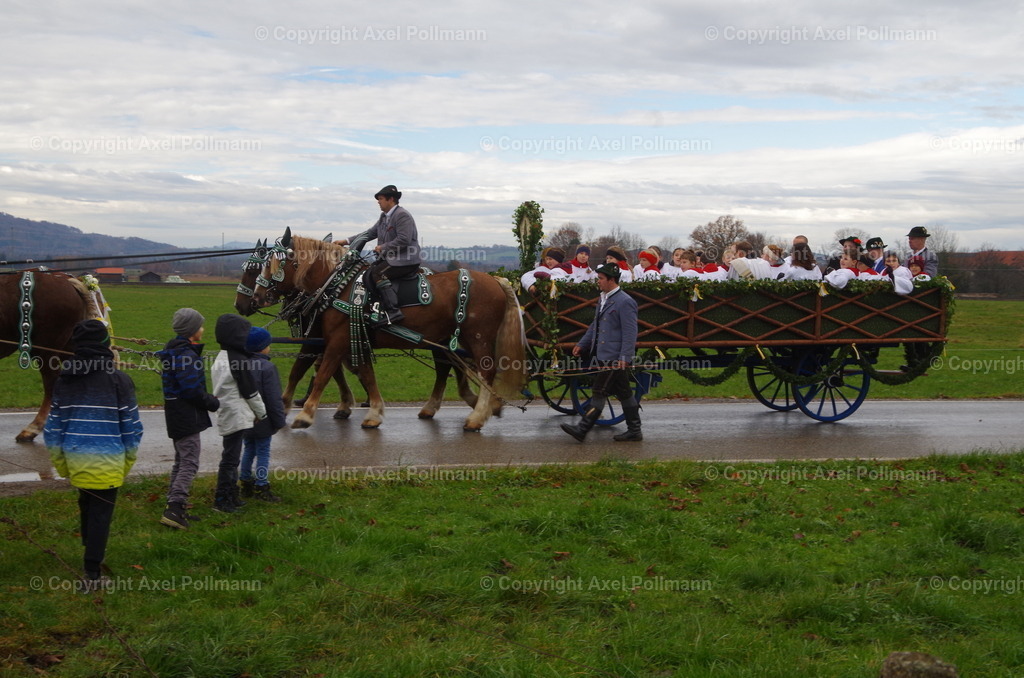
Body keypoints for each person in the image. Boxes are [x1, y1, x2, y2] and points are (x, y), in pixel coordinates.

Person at [43, 320, 143, 590]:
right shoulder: (119, 380)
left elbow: (52, 429)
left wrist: (63, 466)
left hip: (75, 460)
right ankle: (92, 574)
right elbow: (133, 428)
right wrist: (126, 464)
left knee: (87, 505)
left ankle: (91, 554)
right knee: (101, 515)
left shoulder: (64, 380)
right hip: (109, 461)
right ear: (105, 345)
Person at [560, 263, 642, 443]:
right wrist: (582, 344)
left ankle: (582, 429)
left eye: (601, 279)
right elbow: (595, 325)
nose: (598, 282)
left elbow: (630, 333)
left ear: (611, 280)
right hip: (603, 354)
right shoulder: (603, 298)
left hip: (613, 357)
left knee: (599, 391)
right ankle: (635, 431)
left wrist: (624, 357)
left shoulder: (625, 301)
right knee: (625, 393)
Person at [158, 308, 220, 530]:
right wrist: (212, 402)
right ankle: (174, 507)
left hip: (176, 414)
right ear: (192, 331)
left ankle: (175, 505)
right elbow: (191, 390)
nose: (203, 329)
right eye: (200, 326)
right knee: (190, 463)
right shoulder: (185, 356)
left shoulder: (176, 352)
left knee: (180, 460)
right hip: (186, 416)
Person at [338, 185, 423, 328]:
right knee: (368, 273)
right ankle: (377, 308)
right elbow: (370, 233)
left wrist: (383, 247)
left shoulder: (402, 215)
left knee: (378, 273)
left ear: (391, 199)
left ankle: (393, 311)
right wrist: (345, 241)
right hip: (392, 259)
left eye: (381, 199)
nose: (378, 202)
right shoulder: (384, 217)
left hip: (406, 260)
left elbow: (404, 239)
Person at [211, 314, 268, 513]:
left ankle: (231, 494)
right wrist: (262, 413)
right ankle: (222, 498)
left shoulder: (221, 357)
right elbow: (250, 390)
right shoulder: (239, 361)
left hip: (226, 411)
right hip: (235, 413)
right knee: (230, 458)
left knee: (231, 455)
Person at [239, 327, 287, 503]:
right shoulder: (267, 368)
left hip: (245, 417)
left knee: (248, 449)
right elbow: (273, 398)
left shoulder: (241, 365)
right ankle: (261, 484)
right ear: (263, 347)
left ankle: (245, 481)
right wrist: (279, 421)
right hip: (263, 418)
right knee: (263, 451)